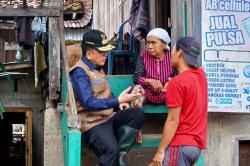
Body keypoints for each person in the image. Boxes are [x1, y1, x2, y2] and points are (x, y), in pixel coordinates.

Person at [69, 29, 145, 166]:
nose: (105, 55)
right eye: (102, 52)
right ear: (89, 54)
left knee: (136, 114)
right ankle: (115, 156)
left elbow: (105, 93)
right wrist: (118, 100)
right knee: (111, 151)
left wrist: (119, 104)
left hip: (108, 117)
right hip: (93, 123)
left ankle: (120, 155)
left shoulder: (97, 68)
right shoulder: (79, 72)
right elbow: (88, 102)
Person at [150, 36, 208, 166]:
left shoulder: (177, 82)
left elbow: (173, 121)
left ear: (180, 52)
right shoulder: (201, 76)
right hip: (195, 148)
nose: (171, 53)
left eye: (173, 50)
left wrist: (160, 151)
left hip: (180, 145)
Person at [133, 28, 174, 104]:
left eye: (154, 43)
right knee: (136, 94)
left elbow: (179, 76)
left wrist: (171, 83)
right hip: (148, 92)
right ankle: (136, 115)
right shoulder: (143, 55)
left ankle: (173, 116)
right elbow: (136, 77)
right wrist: (149, 81)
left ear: (164, 44)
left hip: (166, 92)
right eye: (148, 43)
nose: (150, 46)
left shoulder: (172, 56)